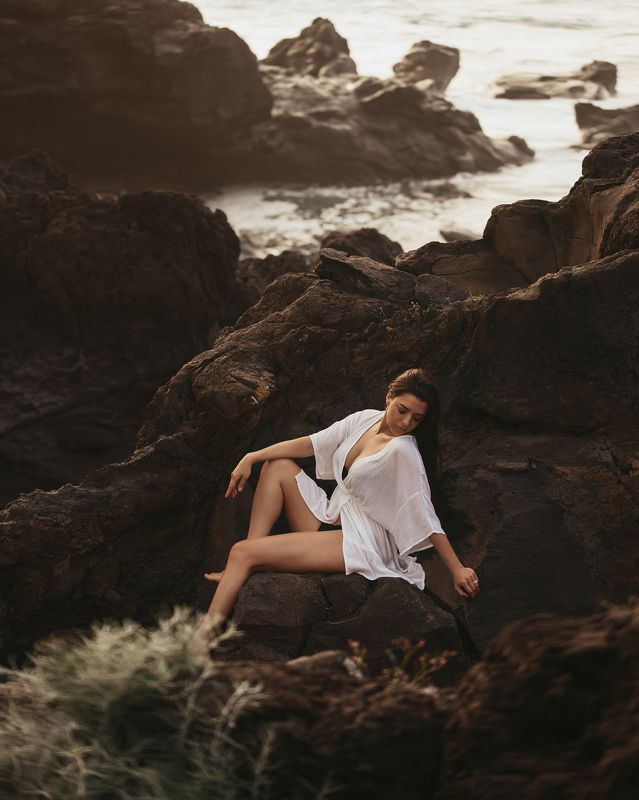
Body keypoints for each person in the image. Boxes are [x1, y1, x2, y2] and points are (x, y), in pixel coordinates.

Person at [203, 368, 479, 623]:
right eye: (402, 410)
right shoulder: (365, 420)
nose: (406, 422)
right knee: (276, 466)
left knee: (240, 552)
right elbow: (312, 443)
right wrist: (251, 456)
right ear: (389, 397)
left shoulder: (403, 451)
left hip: (359, 539)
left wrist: (457, 569)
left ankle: (200, 646)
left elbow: (422, 510)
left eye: (416, 419)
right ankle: (253, 559)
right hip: (331, 516)